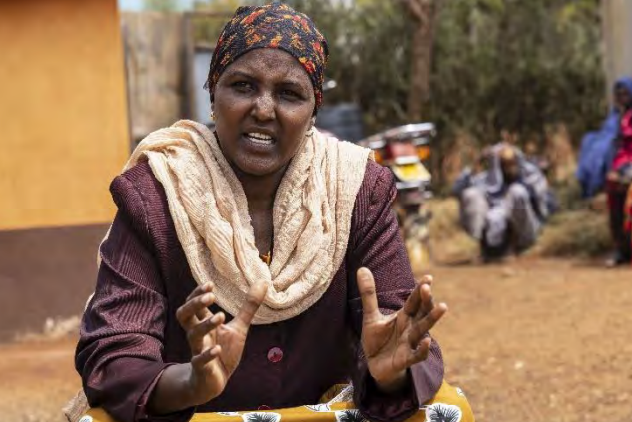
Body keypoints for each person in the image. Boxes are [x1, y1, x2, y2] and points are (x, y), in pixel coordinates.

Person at [71, 3, 473, 422]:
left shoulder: (356, 190)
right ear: (213, 93)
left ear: (313, 111)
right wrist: (191, 382)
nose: (263, 109)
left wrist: (389, 374)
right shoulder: (158, 194)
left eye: (289, 94)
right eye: (243, 86)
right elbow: (114, 353)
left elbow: (395, 331)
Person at [453, 143, 551, 261]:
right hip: (489, 226)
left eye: (512, 163)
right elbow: (457, 189)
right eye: (505, 164)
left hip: (524, 230)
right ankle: (484, 249)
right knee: (471, 195)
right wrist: (476, 164)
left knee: (517, 192)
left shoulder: (528, 178)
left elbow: (541, 193)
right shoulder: (487, 180)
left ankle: (516, 247)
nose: (510, 168)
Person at [604, 79, 632, 266]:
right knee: (614, 189)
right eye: (618, 94)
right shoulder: (614, 119)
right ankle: (620, 249)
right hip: (622, 165)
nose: (621, 98)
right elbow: (607, 144)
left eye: (625, 94)